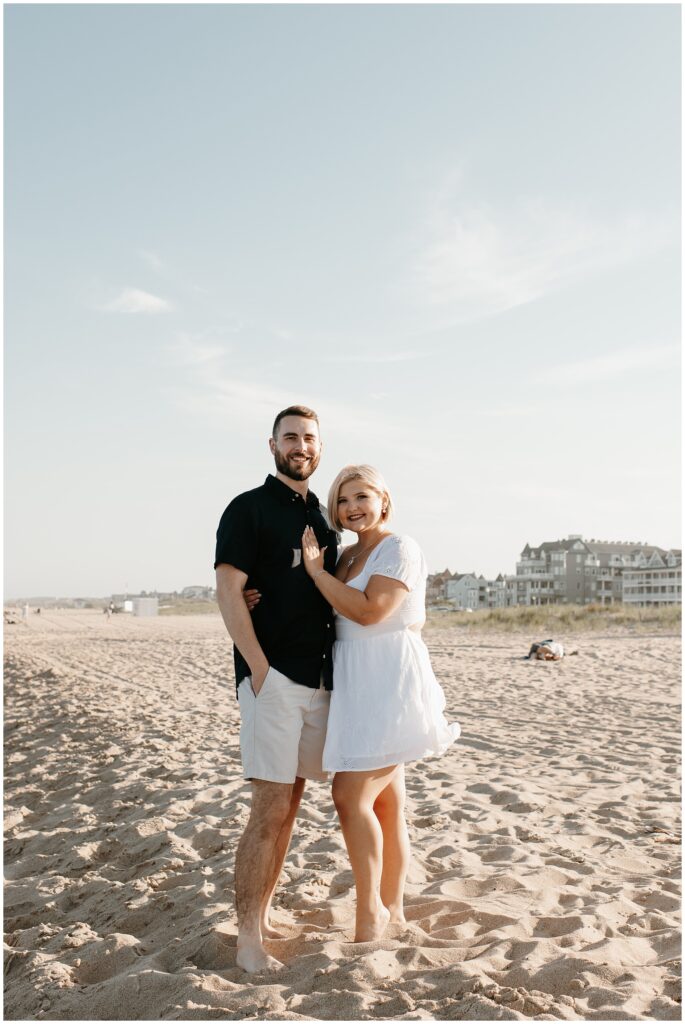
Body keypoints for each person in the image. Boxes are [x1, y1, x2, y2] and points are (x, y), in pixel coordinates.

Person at [299, 465, 460, 942]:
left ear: (383, 500)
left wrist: (314, 573)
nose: (353, 507)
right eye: (343, 500)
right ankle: (395, 909)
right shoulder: (345, 556)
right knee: (388, 804)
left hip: (388, 677)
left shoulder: (399, 548)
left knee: (349, 796)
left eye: (362, 496)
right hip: (353, 680)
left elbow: (370, 612)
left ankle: (370, 911)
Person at [214, 405, 338, 974]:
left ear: (319, 445)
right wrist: (259, 671)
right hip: (275, 679)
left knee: (290, 806)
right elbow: (228, 591)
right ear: (272, 444)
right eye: (291, 437)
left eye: (309, 438)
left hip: (318, 680)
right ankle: (247, 940)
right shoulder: (248, 508)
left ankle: (263, 916)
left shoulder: (324, 514)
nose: (301, 446)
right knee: (267, 807)